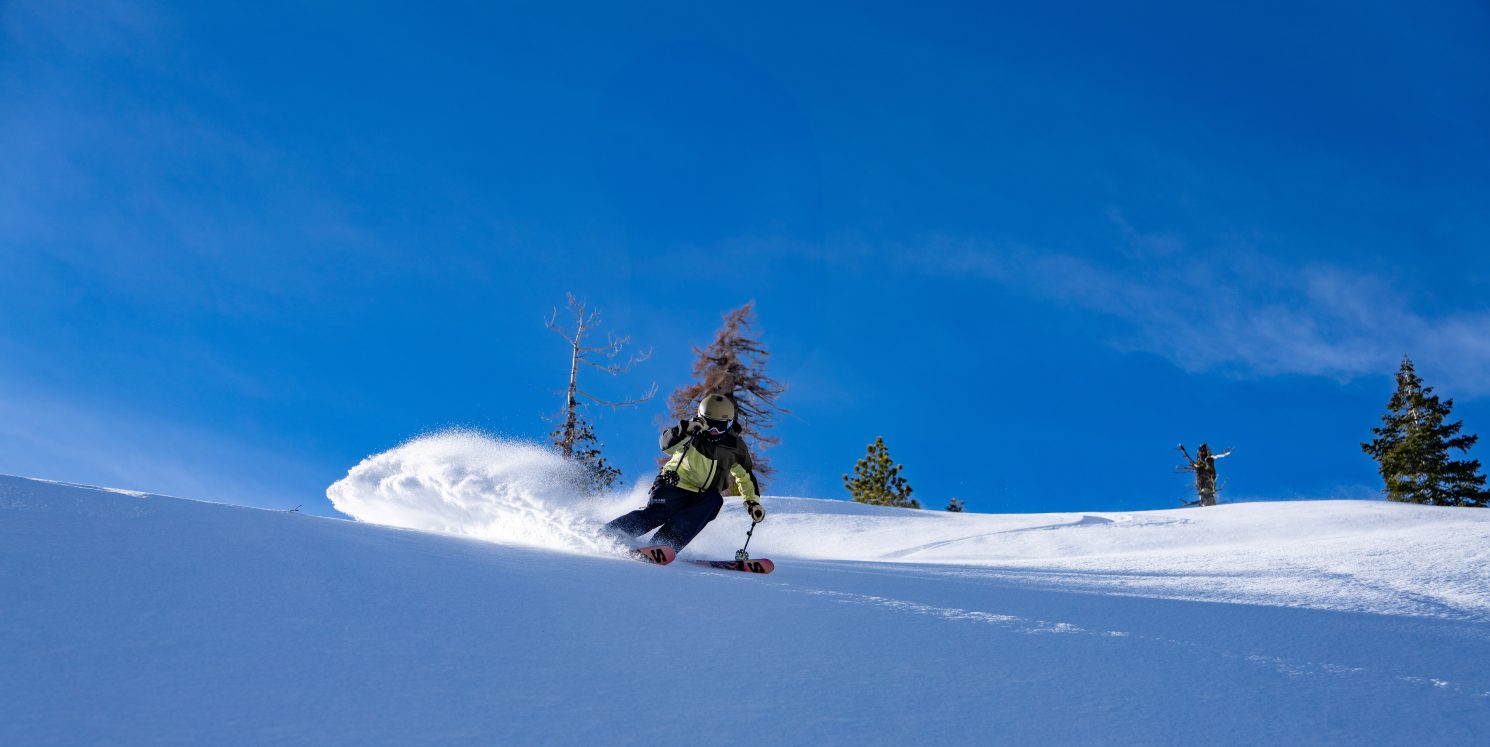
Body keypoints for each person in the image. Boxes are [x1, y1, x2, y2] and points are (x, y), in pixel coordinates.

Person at [605, 393, 764, 551]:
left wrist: (752, 502)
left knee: (712, 502)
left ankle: (663, 545)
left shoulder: (736, 447)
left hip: (703, 496)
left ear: (730, 423)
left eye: (720, 426)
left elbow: (745, 476)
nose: (714, 430)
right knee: (657, 514)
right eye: (710, 424)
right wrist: (685, 430)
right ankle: (610, 533)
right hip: (674, 485)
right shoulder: (692, 431)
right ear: (701, 419)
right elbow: (666, 446)